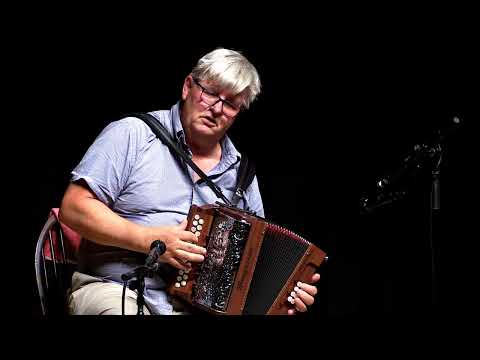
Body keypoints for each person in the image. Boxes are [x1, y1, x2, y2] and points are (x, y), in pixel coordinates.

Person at [59, 48, 321, 315]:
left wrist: (285, 293)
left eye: (230, 104)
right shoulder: (132, 135)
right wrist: (150, 239)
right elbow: (74, 207)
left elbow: (256, 264)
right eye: (210, 92)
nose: (217, 109)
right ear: (188, 87)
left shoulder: (242, 176)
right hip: (117, 288)